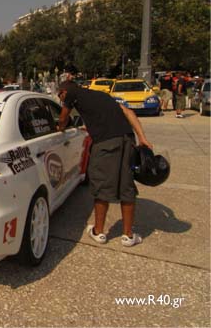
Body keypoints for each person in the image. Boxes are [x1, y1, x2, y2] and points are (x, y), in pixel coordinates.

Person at [57, 80, 153, 247]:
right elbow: (128, 112)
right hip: (127, 140)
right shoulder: (102, 95)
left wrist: (60, 128)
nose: (61, 99)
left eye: (60, 96)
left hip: (106, 144)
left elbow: (63, 119)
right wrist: (142, 138)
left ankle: (99, 232)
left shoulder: (71, 93)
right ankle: (128, 236)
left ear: (64, 92)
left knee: (102, 185)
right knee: (126, 186)